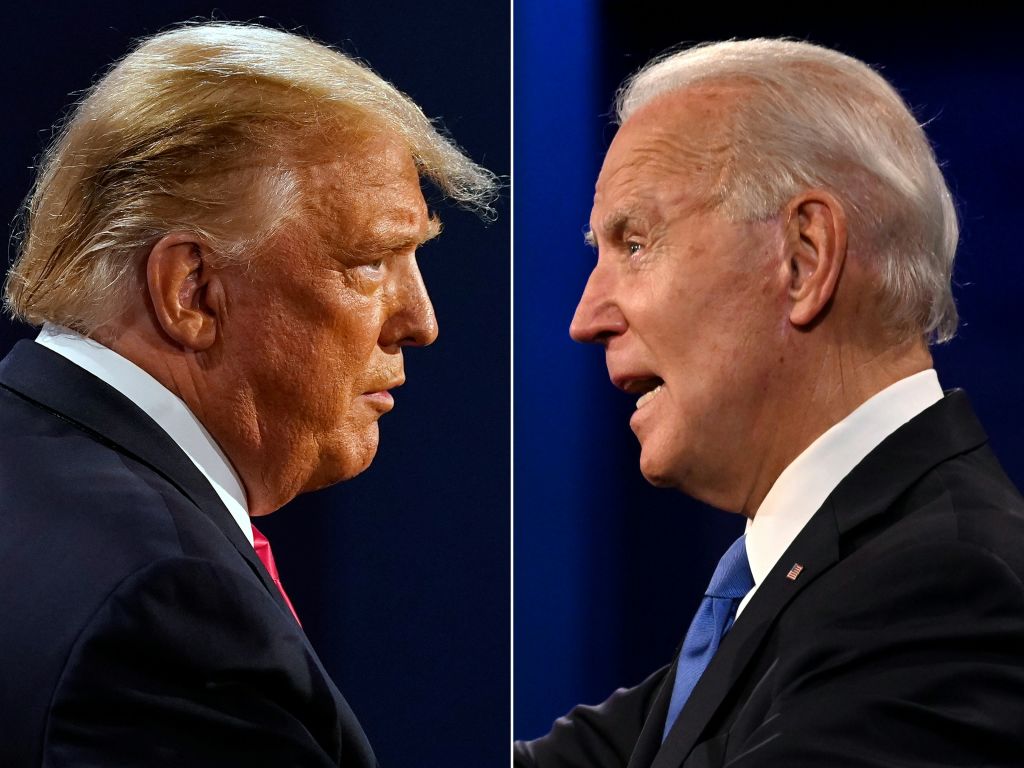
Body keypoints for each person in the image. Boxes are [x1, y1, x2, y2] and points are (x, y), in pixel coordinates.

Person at [515, 38, 1024, 767]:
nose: (587, 316)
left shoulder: (944, 592)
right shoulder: (797, 587)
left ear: (803, 258)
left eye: (633, 243)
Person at [0, 22, 496, 767]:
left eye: (415, 257)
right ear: (193, 290)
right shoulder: (169, 612)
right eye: (370, 262)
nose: (420, 322)